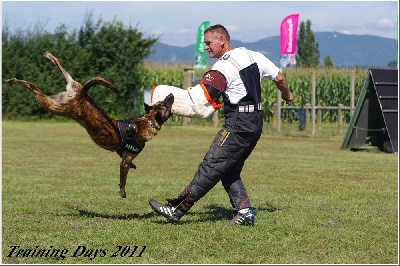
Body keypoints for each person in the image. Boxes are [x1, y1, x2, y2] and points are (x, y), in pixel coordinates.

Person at [149, 24, 294, 225]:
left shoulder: (223, 67)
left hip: (238, 125)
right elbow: (279, 77)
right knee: (229, 169)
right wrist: (287, 94)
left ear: (222, 40)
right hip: (255, 122)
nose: (206, 47)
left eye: (208, 43)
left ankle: (176, 209)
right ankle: (245, 212)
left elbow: (197, 104)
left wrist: (159, 98)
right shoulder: (253, 55)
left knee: (211, 166)